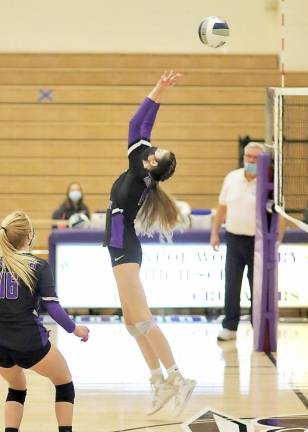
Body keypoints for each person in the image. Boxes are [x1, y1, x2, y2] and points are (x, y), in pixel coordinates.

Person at [103, 71, 196, 417]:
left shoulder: (139, 168)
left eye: (159, 150)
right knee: (131, 322)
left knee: (142, 318)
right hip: (119, 245)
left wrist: (159, 91)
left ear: (154, 162)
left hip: (125, 246)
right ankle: (158, 380)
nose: (154, 147)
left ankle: (178, 376)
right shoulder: (141, 166)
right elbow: (140, 126)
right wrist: (161, 88)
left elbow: (136, 123)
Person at [0, 210, 89, 432]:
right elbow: (54, 310)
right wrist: (77, 329)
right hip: (30, 342)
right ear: (29, 235)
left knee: (17, 387)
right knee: (64, 381)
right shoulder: (39, 266)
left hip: (1, 346)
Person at [210, 142, 284, 342]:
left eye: (255, 157)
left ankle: (258, 327)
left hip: (258, 243)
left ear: (262, 160)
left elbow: (279, 214)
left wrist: (279, 239)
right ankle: (230, 327)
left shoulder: (269, 182)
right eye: (248, 156)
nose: (251, 160)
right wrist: (215, 233)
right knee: (231, 284)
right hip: (233, 239)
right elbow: (222, 208)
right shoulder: (232, 178)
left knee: (258, 287)